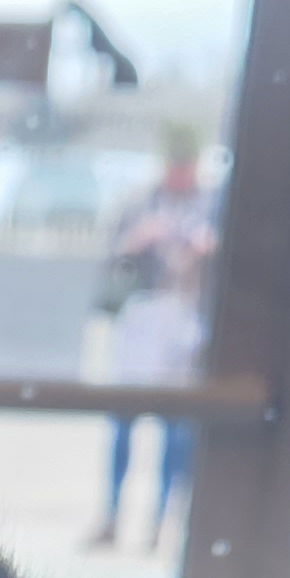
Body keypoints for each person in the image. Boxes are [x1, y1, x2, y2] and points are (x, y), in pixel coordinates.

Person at [88, 142, 215, 551]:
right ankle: (111, 517)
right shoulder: (140, 203)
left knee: (176, 433)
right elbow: (111, 258)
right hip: (141, 322)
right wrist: (138, 240)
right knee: (123, 425)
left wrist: (204, 249)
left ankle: (160, 525)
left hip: (184, 323)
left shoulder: (211, 206)